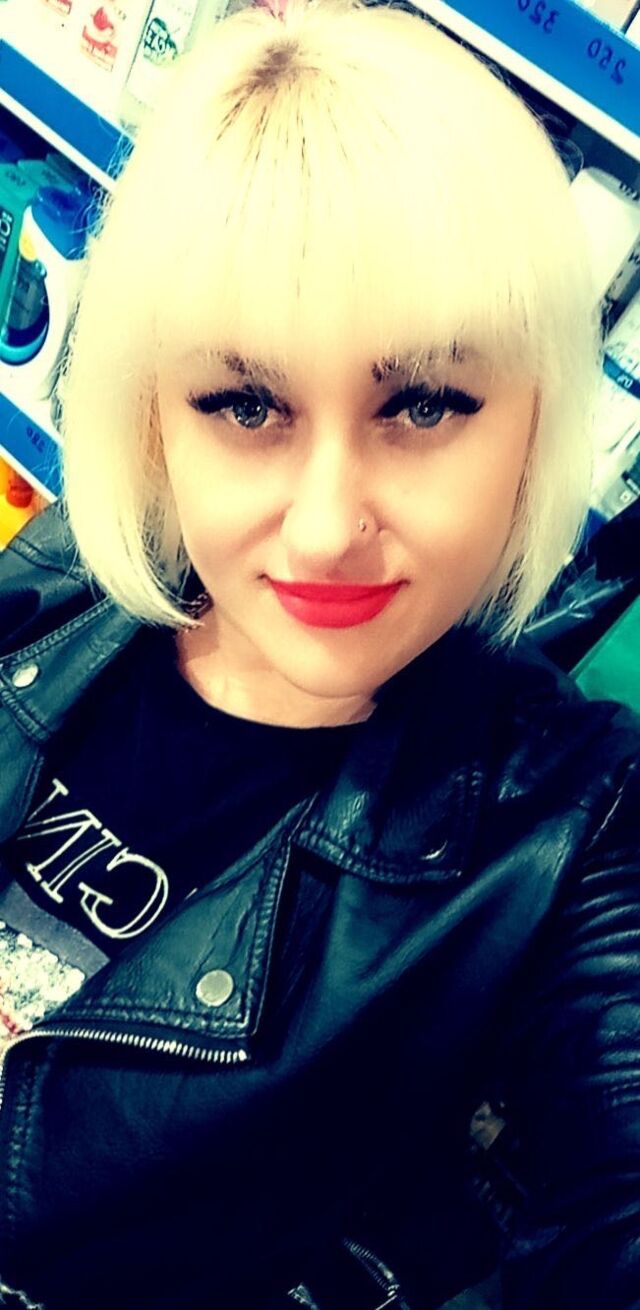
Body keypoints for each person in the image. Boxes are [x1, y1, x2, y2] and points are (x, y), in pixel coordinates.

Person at [0, 1, 638, 1307]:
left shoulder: (569, 835)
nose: (327, 526)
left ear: (535, 417)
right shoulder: (63, 575)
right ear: (155, 411)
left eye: (424, 404)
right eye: (246, 403)